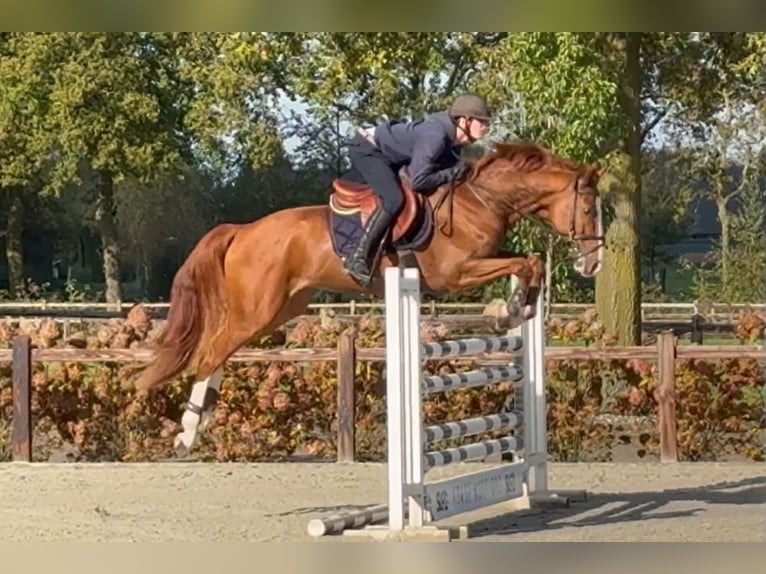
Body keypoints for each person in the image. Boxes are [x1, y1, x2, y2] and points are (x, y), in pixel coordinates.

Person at [341, 93, 493, 286]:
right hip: (368, 149)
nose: (486, 127)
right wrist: (452, 173)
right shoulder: (436, 136)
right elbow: (419, 181)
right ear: (465, 120)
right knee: (394, 199)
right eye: (482, 122)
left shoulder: (455, 146)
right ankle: (358, 256)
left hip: (391, 156)